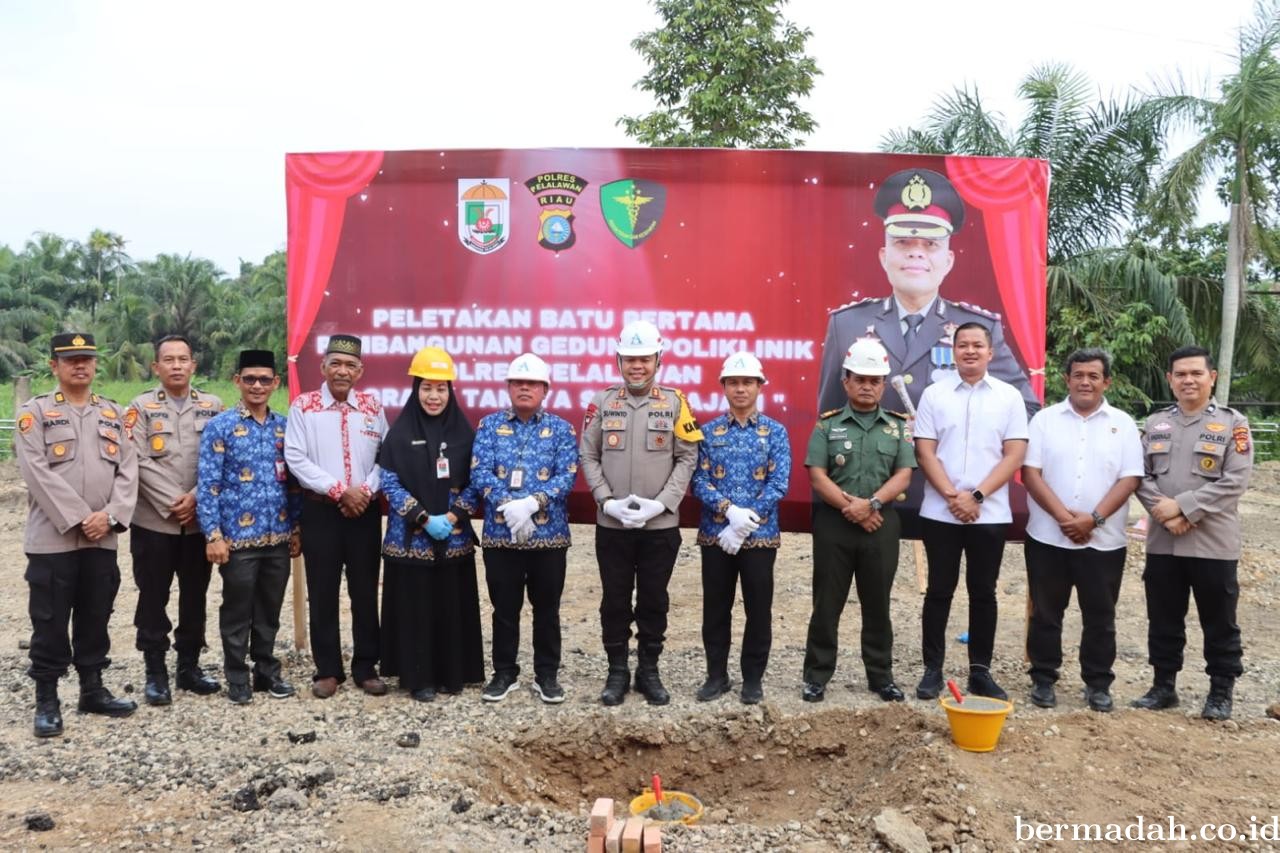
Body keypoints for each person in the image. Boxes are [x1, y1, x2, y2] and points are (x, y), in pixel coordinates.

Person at [817, 167, 1038, 418]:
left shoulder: (979, 327)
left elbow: (1026, 410)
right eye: (902, 242)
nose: (916, 253)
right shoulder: (846, 324)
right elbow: (829, 418)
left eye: (930, 244)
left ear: (949, 260)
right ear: (883, 256)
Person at [16, 332, 139, 737]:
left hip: (102, 537)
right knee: (49, 620)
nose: (80, 365)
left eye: (86, 358)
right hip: (52, 540)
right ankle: (47, 701)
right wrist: (82, 516)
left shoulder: (114, 414)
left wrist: (111, 516)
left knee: (96, 615)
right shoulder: (35, 414)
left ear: (95, 364)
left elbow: (128, 470)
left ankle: (93, 690)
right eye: (70, 360)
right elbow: (36, 473)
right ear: (55, 366)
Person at [580, 319, 701, 706]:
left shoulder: (677, 402)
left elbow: (687, 457)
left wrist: (661, 504)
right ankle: (617, 672)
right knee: (614, 600)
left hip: (659, 526)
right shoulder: (601, 402)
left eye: (645, 359)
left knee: (653, 600)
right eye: (630, 359)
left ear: (658, 360)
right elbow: (589, 454)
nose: (637, 366)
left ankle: (649, 671)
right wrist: (605, 499)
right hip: (612, 524)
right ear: (618, 360)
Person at [1133, 345, 1252, 721]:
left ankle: (1220, 692)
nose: (1188, 380)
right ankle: (1163, 686)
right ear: (1170, 379)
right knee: (1163, 617)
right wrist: (1165, 514)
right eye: (1180, 374)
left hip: (1213, 543)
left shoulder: (1234, 424)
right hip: (1164, 541)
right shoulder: (1155, 425)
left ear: (1211, 377)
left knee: (1219, 620)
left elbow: (1236, 481)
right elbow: (1140, 476)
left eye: (1196, 373)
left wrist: (1183, 506)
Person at [1021, 348, 1143, 712]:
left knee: (1101, 616)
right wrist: (1064, 518)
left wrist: (1093, 519)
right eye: (1078, 375)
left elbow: (1130, 478)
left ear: (1107, 381)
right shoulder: (1044, 420)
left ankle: (1098, 683)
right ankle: (1043, 678)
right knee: (1044, 613)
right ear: (1067, 379)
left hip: (1103, 541)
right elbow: (1030, 473)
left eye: (1093, 375)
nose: (1085, 382)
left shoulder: (1123, 424)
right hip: (1047, 537)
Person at [913, 322, 1029, 701]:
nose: (970, 351)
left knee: (984, 592)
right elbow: (925, 450)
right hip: (941, 511)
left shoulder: (1009, 397)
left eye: (978, 345)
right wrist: (951, 495)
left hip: (989, 513)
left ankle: (980, 671)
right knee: (939, 591)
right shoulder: (934, 394)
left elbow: (1014, 454)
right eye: (962, 345)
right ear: (953, 351)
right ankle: (933, 670)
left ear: (990, 352)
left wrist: (976, 496)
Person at [800, 339, 915, 704]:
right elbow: (817, 476)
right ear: (846, 381)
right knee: (827, 604)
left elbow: (904, 474)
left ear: (883, 385)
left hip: (882, 524)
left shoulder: (897, 428)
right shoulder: (826, 425)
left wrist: (872, 505)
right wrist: (853, 509)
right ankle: (816, 677)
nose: (867, 386)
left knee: (877, 604)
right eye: (860, 379)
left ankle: (881, 676)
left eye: (875, 380)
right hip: (835, 525)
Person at [470, 353, 579, 704]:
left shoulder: (562, 429)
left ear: (545, 389)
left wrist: (532, 504)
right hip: (501, 537)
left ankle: (547, 675)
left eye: (532, 383)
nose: (525, 388)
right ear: (508, 387)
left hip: (549, 537)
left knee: (547, 609)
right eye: (518, 383)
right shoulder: (489, 426)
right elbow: (479, 472)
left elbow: (567, 475)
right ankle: (504, 673)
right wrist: (510, 506)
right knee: (504, 608)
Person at [284, 334, 389, 699]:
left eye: (350, 366)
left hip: (364, 512)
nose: (342, 371)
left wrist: (365, 492)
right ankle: (328, 669)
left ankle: (366, 666)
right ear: (323, 367)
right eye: (336, 364)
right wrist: (338, 490)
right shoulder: (304, 406)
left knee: (364, 591)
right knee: (323, 590)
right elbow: (296, 458)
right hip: (321, 512)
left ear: (360, 371)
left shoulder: (373, 407)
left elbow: (384, 458)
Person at [378, 346, 484, 702]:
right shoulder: (400, 432)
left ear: (450, 391)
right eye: (427, 388)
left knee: (450, 605)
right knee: (416, 607)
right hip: (411, 541)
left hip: (453, 539)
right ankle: (418, 677)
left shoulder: (464, 434)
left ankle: (452, 674)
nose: (434, 396)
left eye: (441, 388)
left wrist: (453, 516)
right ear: (415, 389)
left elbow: (477, 481)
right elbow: (388, 481)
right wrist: (422, 518)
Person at [197, 350, 301, 705]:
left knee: (270, 610)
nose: (257, 386)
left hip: (278, 536)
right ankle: (236, 676)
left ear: (276, 383)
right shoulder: (221, 426)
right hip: (237, 540)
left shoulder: (286, 427)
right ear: (237, 381)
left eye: (264, 380)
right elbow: (208, 485)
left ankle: (267, 672)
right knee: (237, 610)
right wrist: (213, 535)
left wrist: (297, 528)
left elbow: (294, 484)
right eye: (249, 379)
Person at [126, 334, 223, 705]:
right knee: (153, 595)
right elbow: (136, 459)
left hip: (198, 523)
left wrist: (195, 498)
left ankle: (189, 667)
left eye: (184, 359)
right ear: (157, 366)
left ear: (194, 365)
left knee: (196, 595)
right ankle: (155, 670)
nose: (177, 365)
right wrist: (173, 501)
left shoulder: (213, 406)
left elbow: (219, 458)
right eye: (169, 360)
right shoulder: (140, 407)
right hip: (155, 522)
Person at [690, 352, 791, 705]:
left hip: (760, 538)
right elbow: (699, 480)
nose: (740, 389)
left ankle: (752, 679)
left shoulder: (775, 432)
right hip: (715, 535)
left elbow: (779, 484)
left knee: (758, 610)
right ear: (724, 387)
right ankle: (716, 676)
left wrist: (746, 520)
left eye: (747, 382)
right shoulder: (708, 431)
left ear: (759, 386)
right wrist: (728, 511)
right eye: (733, 382)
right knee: (716, 609)